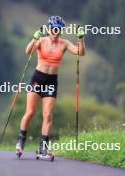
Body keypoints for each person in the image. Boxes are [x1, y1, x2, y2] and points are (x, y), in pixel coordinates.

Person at [16, 16, 85, 156]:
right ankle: (21, 141)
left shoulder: (64, 43)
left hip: (52, 81)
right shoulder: (42, 40)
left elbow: (80, 52)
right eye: (54, 29)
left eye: (59, 30)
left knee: (47, 116)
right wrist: (34, 39)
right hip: (38, 79)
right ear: (48, 29)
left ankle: (44, 147)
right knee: (30, 112)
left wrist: (80, 40)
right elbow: (28, 51)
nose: (56, 32)